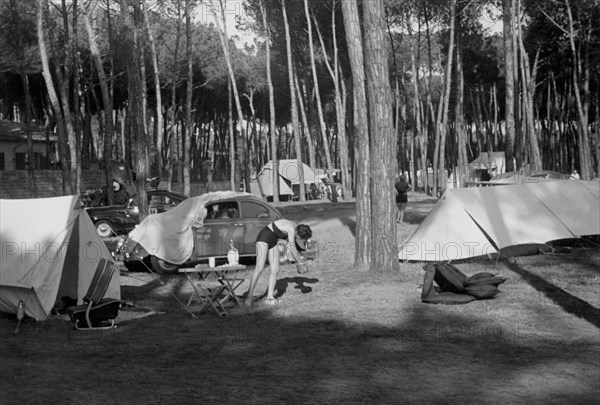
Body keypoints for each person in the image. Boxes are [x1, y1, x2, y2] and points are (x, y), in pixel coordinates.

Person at [245, 219, 312, 306]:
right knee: (259, 268)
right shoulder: (291, 229)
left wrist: (301, 256)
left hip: (273, 240)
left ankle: (270, 297)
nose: (299, 239)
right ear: (297, 233)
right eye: (300, 237)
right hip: (264, 237)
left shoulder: (297, 228)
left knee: (275, 269)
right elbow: (292, 248)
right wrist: (300, 262)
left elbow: (295, 246)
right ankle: (248, 297)